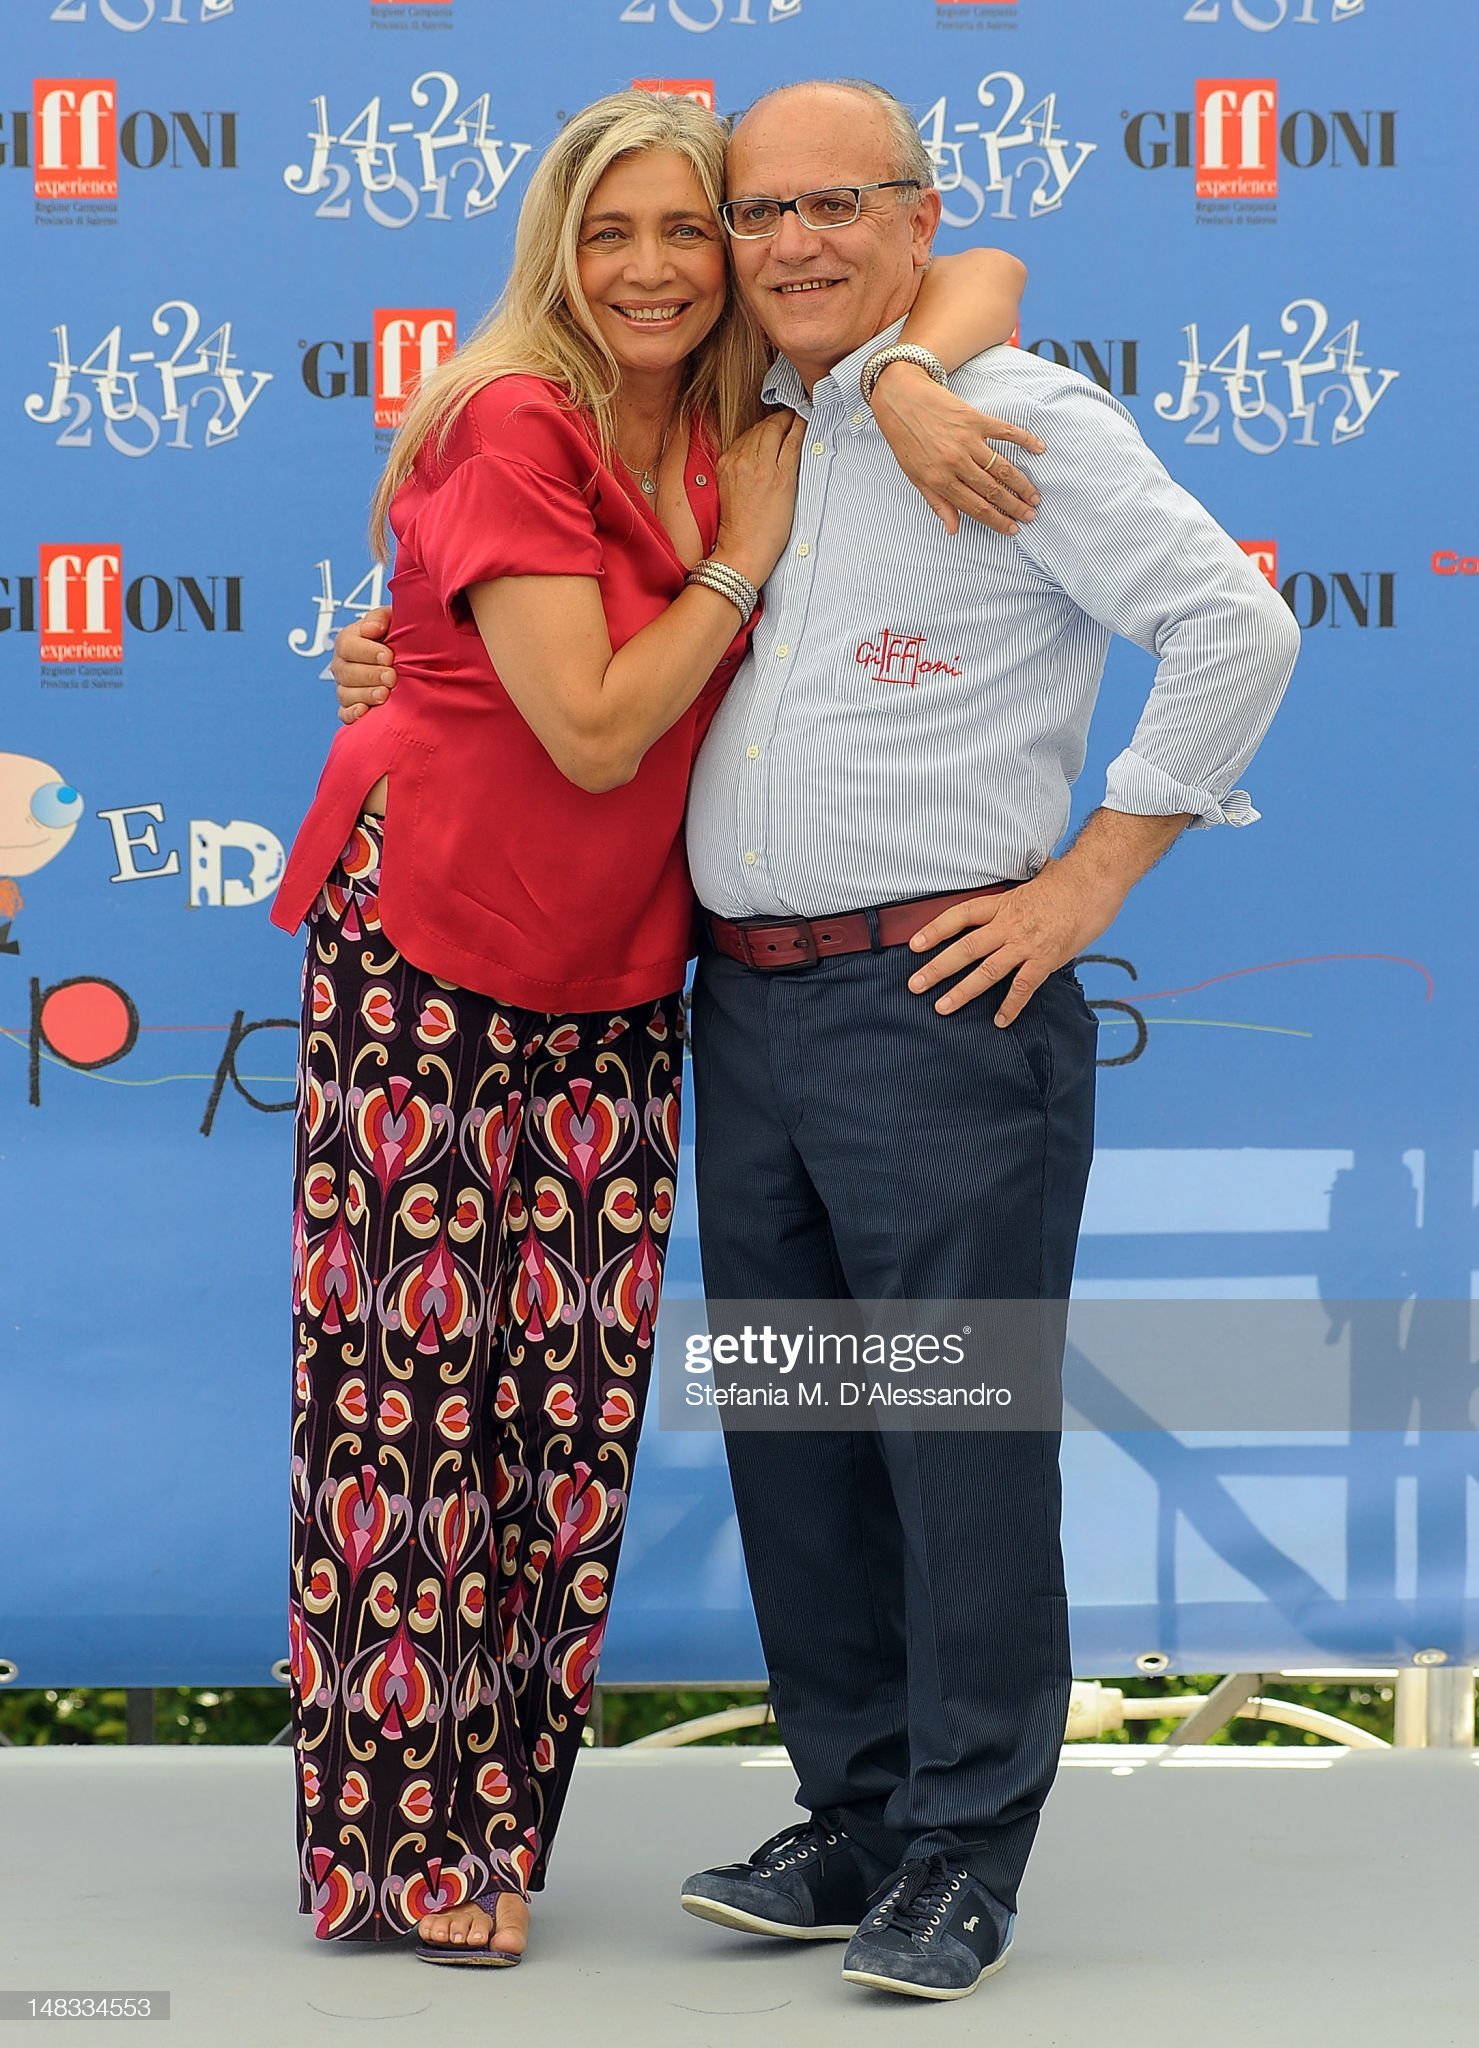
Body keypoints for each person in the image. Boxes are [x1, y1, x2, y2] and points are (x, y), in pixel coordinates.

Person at [277, 85, 1039, 1971]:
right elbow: (602, 727)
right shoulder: (515, 416)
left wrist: (905, 386)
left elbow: (989, 270)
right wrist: (736, 561)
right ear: (556, 247)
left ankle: (501, 1823)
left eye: (687, 229)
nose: (650, 267)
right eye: (608, 231)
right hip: (436, 952)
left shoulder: (741, 411)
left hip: (624, 981)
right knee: (408, 1412)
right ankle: (402, 1843)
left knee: (564, 1427)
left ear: (736, 249)